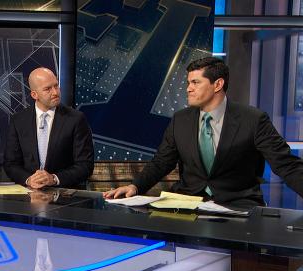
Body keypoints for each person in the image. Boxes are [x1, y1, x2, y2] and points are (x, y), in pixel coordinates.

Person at [104, 57, 303, 208]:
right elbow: (161, 162)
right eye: (188, 83)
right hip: (188, 203)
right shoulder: (180, 120)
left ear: (218, 84)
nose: (188, 89)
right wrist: (135, 186)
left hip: (236, 206)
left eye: (196, 83)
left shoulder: (253, 119)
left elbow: (286, 165)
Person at [4, 67, 94, 189]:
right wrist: (29, 179)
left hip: (65, 197)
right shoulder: (19, 120)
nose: (55, 92)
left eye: (56, 86)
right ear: (34, 94)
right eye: (48, 89)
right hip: (29, 197)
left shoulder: (76, 119)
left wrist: (54, 178)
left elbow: (85, 166)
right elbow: (11, 164)